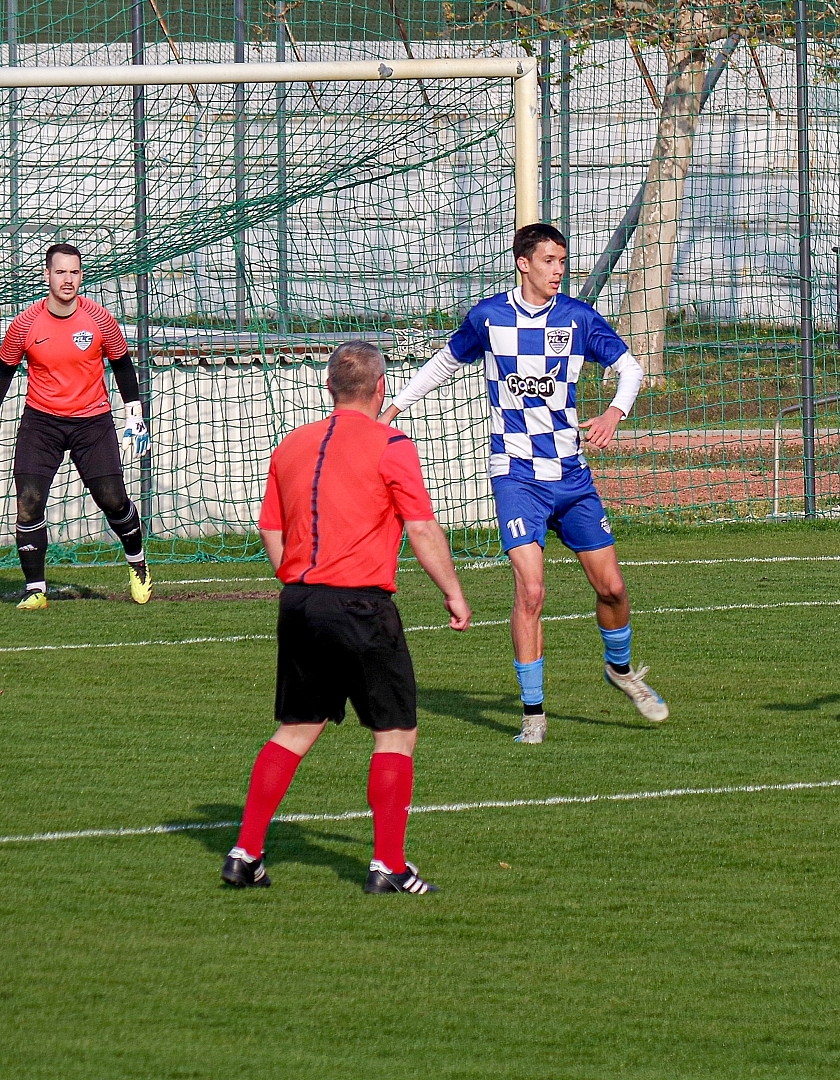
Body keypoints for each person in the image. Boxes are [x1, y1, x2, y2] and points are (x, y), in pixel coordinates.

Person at [381, 222, 667, 744]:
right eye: (550, 261)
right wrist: (394, 409)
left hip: (571, 474)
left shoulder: (578, 318)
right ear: (524, 263)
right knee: (531, 591)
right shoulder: (489, 317)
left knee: (612, 588)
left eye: (563, 261)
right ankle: (533, 715)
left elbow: (631, 368)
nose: (559, 270)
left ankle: (621, 670)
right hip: (516, 474)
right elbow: (444, 364)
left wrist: (614, 412)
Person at [221, 341, 472, 893]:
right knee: (396, 732)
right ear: (381, 388)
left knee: (296, 728)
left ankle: (245, 852)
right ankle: (388, 866)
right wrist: (453, 592)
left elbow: (270, 527)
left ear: (329, 386)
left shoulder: (291, 444)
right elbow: (421, 527)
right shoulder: (392, 444)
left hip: (300, 603)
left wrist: (299, 580)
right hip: (361, 606)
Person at [0, 243, 153, 609]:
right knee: (28, 501)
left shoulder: (99, 318)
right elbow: (4, 371)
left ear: (81, 276)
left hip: (92, 423)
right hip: (41, 422)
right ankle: (36, 590)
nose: (67, 279)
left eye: (74, 272)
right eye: (60, 272)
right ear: (47, 276)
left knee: (113, 500)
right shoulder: (24, 324)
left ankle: (138, 564)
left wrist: (135, 414)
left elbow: (122, 364)